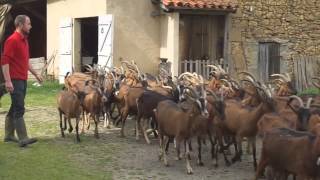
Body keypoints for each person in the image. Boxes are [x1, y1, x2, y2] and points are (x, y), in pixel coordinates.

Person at [1, 15, 43, 147]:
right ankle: (23, 138)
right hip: (15, 79)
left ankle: (8, 135)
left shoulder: (24, 40)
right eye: (28, 24)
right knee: (19, 108)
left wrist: (36, 74)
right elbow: (4, 61)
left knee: (15, 106)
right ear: (20, 25)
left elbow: (26, 62)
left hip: (22, 79)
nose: (30, 26)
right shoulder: (12, 40)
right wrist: (8, 81)